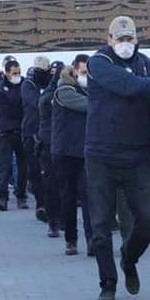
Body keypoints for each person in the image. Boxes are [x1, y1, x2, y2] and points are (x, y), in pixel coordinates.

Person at [86, 16, 150, 300]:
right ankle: (107, 283)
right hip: (102, 155)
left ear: (137, 39)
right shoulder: (99, 63)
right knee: (100, 226)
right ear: (109, 39)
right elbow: (129, 86)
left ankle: (128, 258)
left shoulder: (145, 63)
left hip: (137, 154)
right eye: (120, 38)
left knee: (146, 221)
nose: (125, 44)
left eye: (130, 38)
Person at [53, 56, 92, 256]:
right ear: (75, 71)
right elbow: (87, 105)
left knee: (89, 197)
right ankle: (71, 240)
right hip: (66, 152)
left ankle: (93, 241)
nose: (86, 76)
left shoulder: (91, 89)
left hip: (86, 151)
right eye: (84, 72)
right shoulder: (64, 90)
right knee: (68, 198)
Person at [0, 59, 28, 211]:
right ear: (7, 73)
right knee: (4, 166)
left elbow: (29, 104)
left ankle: (21, 195)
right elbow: (6, 109)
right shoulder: (0, 88)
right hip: (6, 130)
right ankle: (3, 197)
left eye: (19, 73)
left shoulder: (26, 84)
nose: (17, 76)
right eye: (14, 73)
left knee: (23, 166)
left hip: (23, 129)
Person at [22, 56, 51, 222]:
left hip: (46, 134)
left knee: (48, 172)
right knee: (34, 172)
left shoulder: (50, 83)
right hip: (31, 133)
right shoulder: (28, 84)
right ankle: (41, 204)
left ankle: (49, 205)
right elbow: (35, 102)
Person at [38, 60, 64, 238]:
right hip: (51, 145)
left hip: (68, 145)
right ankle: (54, 221)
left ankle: (60, 220)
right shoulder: (50, 96)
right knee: (53, 184)